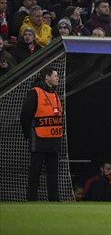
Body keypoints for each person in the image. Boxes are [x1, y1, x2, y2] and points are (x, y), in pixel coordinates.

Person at [20, 66, 63, 201]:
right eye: (55, 76)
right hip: (38, 139)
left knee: (53, 174)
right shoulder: (35, 92)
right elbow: (25, 115)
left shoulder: (55, 94)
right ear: (47, 77)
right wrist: (28, 134)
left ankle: (54, 200)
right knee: (35, 172)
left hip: (54, 140)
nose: (58, 78)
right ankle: (32, 199)